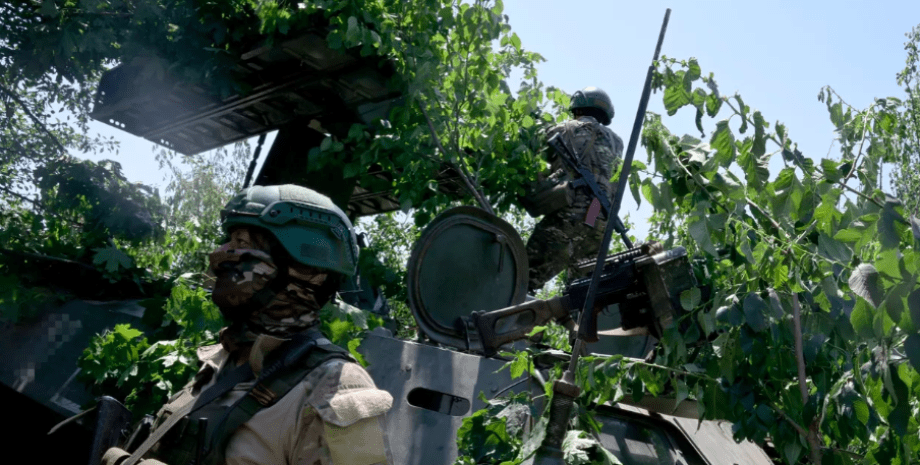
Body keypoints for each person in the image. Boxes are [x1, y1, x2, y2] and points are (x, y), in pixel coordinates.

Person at [103, 184, 393, 465]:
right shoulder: (220, 360)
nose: (218, 258)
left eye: (241, 244)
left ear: (306, 270)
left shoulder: (336, 389)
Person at [526, 87, 625, 292]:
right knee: (581, 295)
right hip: (599, 226)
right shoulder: (617, 144)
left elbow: (532, 162)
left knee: (520, 278)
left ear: (577, 110)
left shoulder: (561, 130)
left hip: (569, 220)